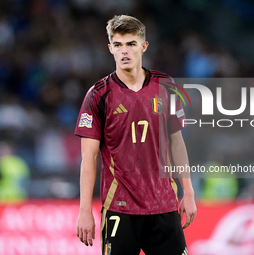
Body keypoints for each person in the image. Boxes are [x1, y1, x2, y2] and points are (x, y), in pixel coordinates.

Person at [74, 15, 197, 255]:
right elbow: (88, 158)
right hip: (120, 209)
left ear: (144, 46)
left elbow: (176, 142)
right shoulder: (98, 95)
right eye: (118, 45)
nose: (124, 51)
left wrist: (189, 191)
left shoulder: (166, 87)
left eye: (131, 43)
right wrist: (84, 210)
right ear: (110, 49)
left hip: (164, 205)